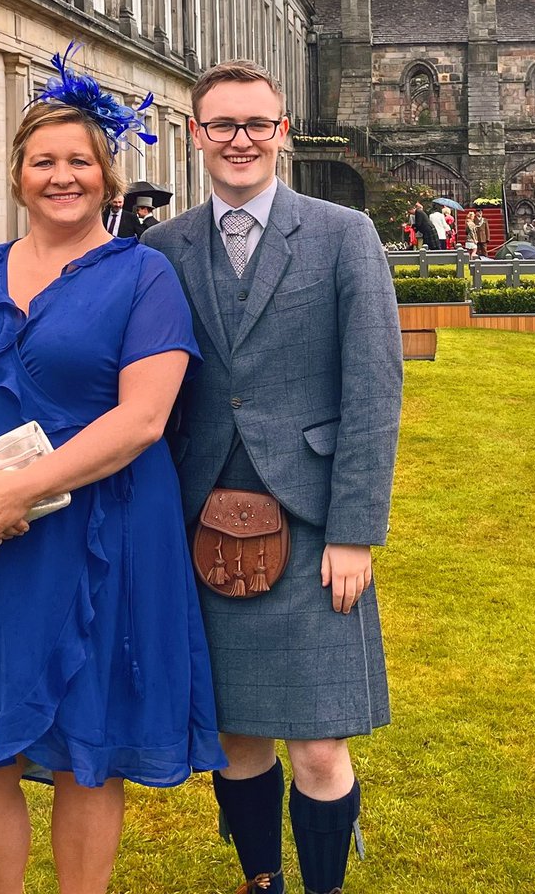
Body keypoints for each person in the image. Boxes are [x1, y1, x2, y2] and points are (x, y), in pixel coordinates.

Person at [0, 46, 226, 894]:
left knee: (88, 745)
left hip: (102, 531)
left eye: (80, 161)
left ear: (109, 178)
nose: (61, 176)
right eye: (45, 161)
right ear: (18, 174)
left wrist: (22, 490)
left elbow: (143, 418)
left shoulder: (145, 276)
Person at [144, 60, 403, 894]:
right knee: (237, 734)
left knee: (321, 742)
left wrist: (356, 530)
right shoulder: (161, 248)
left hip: (315, 523)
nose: (241, 140)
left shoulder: (342, 235)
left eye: (258, 124)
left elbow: (374, 389)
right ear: (196, 134)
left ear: (283, 131)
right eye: (223, 124)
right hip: (198, 523)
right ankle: (262, 882)